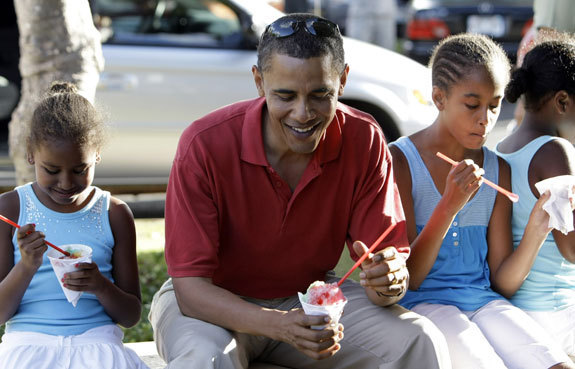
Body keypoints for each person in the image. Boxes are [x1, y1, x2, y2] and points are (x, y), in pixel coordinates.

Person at [149, 12, 450, 369]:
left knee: (419, 340)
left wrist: (391, 280)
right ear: (259, 83)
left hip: (311, 301)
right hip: (214, 305)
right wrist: (278, 325)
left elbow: (385, 273)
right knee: (201, 361)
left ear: (343, 81)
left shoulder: (364, 138)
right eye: (285, 95)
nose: (303, 113)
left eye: (320, 94)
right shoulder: (204, 144)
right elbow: (190, 290)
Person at [389, 33, 574, 369]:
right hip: (424, 305)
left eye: (495, 105)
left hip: (483, 301)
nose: (486, 119)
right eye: (473, 105)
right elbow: (410, 278)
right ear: (439, 97)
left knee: (557, 365)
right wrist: (449, 205)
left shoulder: (496, 168)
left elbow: (502, 282)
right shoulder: (400, 160)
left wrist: (536, 231)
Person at [0, 81, 148, 369]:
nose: (67, 183)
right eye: (51, 170)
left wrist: (101, 286)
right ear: (31, 153)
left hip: (97, 346)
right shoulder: (11, 209)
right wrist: (27, 264)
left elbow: (131, 316)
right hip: (28, 346)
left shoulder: (114, 214)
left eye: (80, 170)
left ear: (97, 155)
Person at [495, 39, 575, 359]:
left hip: (521, 309)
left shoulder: (502, 147)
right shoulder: (555, 152)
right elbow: (571, 249)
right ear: (563, 101)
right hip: (557, 311)